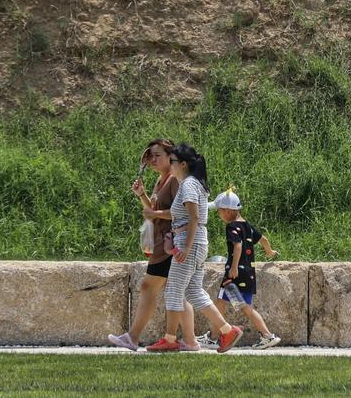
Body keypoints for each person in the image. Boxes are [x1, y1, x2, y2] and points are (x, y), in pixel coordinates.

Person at [145, 143, 243, 353]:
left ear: (182, 164)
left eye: (171, 161)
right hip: (197, 242)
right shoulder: (195, 183)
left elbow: (194, 217)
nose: (168, 165)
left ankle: (170, 339)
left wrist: (185, 247)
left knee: (173, 291)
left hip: (189, 243)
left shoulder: (188, 185)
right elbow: (185, 215)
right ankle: (227, 331)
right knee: (193, 291)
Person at [108, 139, 197, 351]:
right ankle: (192, 341)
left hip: (170, 244)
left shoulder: (175, 181)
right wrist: (142, 196)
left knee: (149, 286)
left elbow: (182, 212)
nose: (153, 160)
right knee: (176, 291)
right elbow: (154, 210)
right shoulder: (161, 181)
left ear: (170, 156)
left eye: (157, 155)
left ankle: (133, 337)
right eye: (151, 156)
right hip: (162, 243)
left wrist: (155, 213)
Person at [197, 188, 281, 350]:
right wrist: (269, 252)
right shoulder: (247, 226)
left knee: (220, 302)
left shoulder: (232, 226)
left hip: (234, 276)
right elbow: (263, 239)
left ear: (228, 211)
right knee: (245, 307)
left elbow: (237, 245)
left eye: (220, 211)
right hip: (248, 274)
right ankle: (267, 335)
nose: (219, 215)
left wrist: (234, 268)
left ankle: (214, 337)